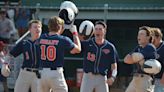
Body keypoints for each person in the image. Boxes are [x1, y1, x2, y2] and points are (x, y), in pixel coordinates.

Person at [36, 16, 81, 92]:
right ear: (60, 27)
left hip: (42, 72)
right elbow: (78, 50)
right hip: (55, 73)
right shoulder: (63, 39)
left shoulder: (42, 37)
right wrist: (75, 33)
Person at [80, 21, 118, 92]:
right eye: (96, 29)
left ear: (104, 31)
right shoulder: (87, 43)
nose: (98, 31)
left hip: (102, 77)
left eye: (100, 29)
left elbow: (114, 65)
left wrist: (113, 77)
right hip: (88, 76)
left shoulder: (110, 47)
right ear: (93, 31)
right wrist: (76, 34)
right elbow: (75, 49)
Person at [9, 20, 42, 92]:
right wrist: (6, 64)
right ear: (30, 29)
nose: (38, 29)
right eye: (35, 27)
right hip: (25, 72)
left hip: (39, 73)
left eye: (39, 27)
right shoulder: (24, 43)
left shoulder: (45, 42)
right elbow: (11, 54)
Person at [124, 26, 157, 92]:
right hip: (135, 79)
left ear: (148, 37)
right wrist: (137, 58)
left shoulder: (150, 47)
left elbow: (137, 57)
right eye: (138, 34)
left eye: (141, 34)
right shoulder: (138, 47)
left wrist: (134, 58)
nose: (138, 36)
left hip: (145, 79)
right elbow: (126, 60)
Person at [151, 27, 164, 92]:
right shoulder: (152, 47)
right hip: (152, 79)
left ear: (158, 37)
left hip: (160, 79)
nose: (151, 41)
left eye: (153, 39)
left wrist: (163, 80)